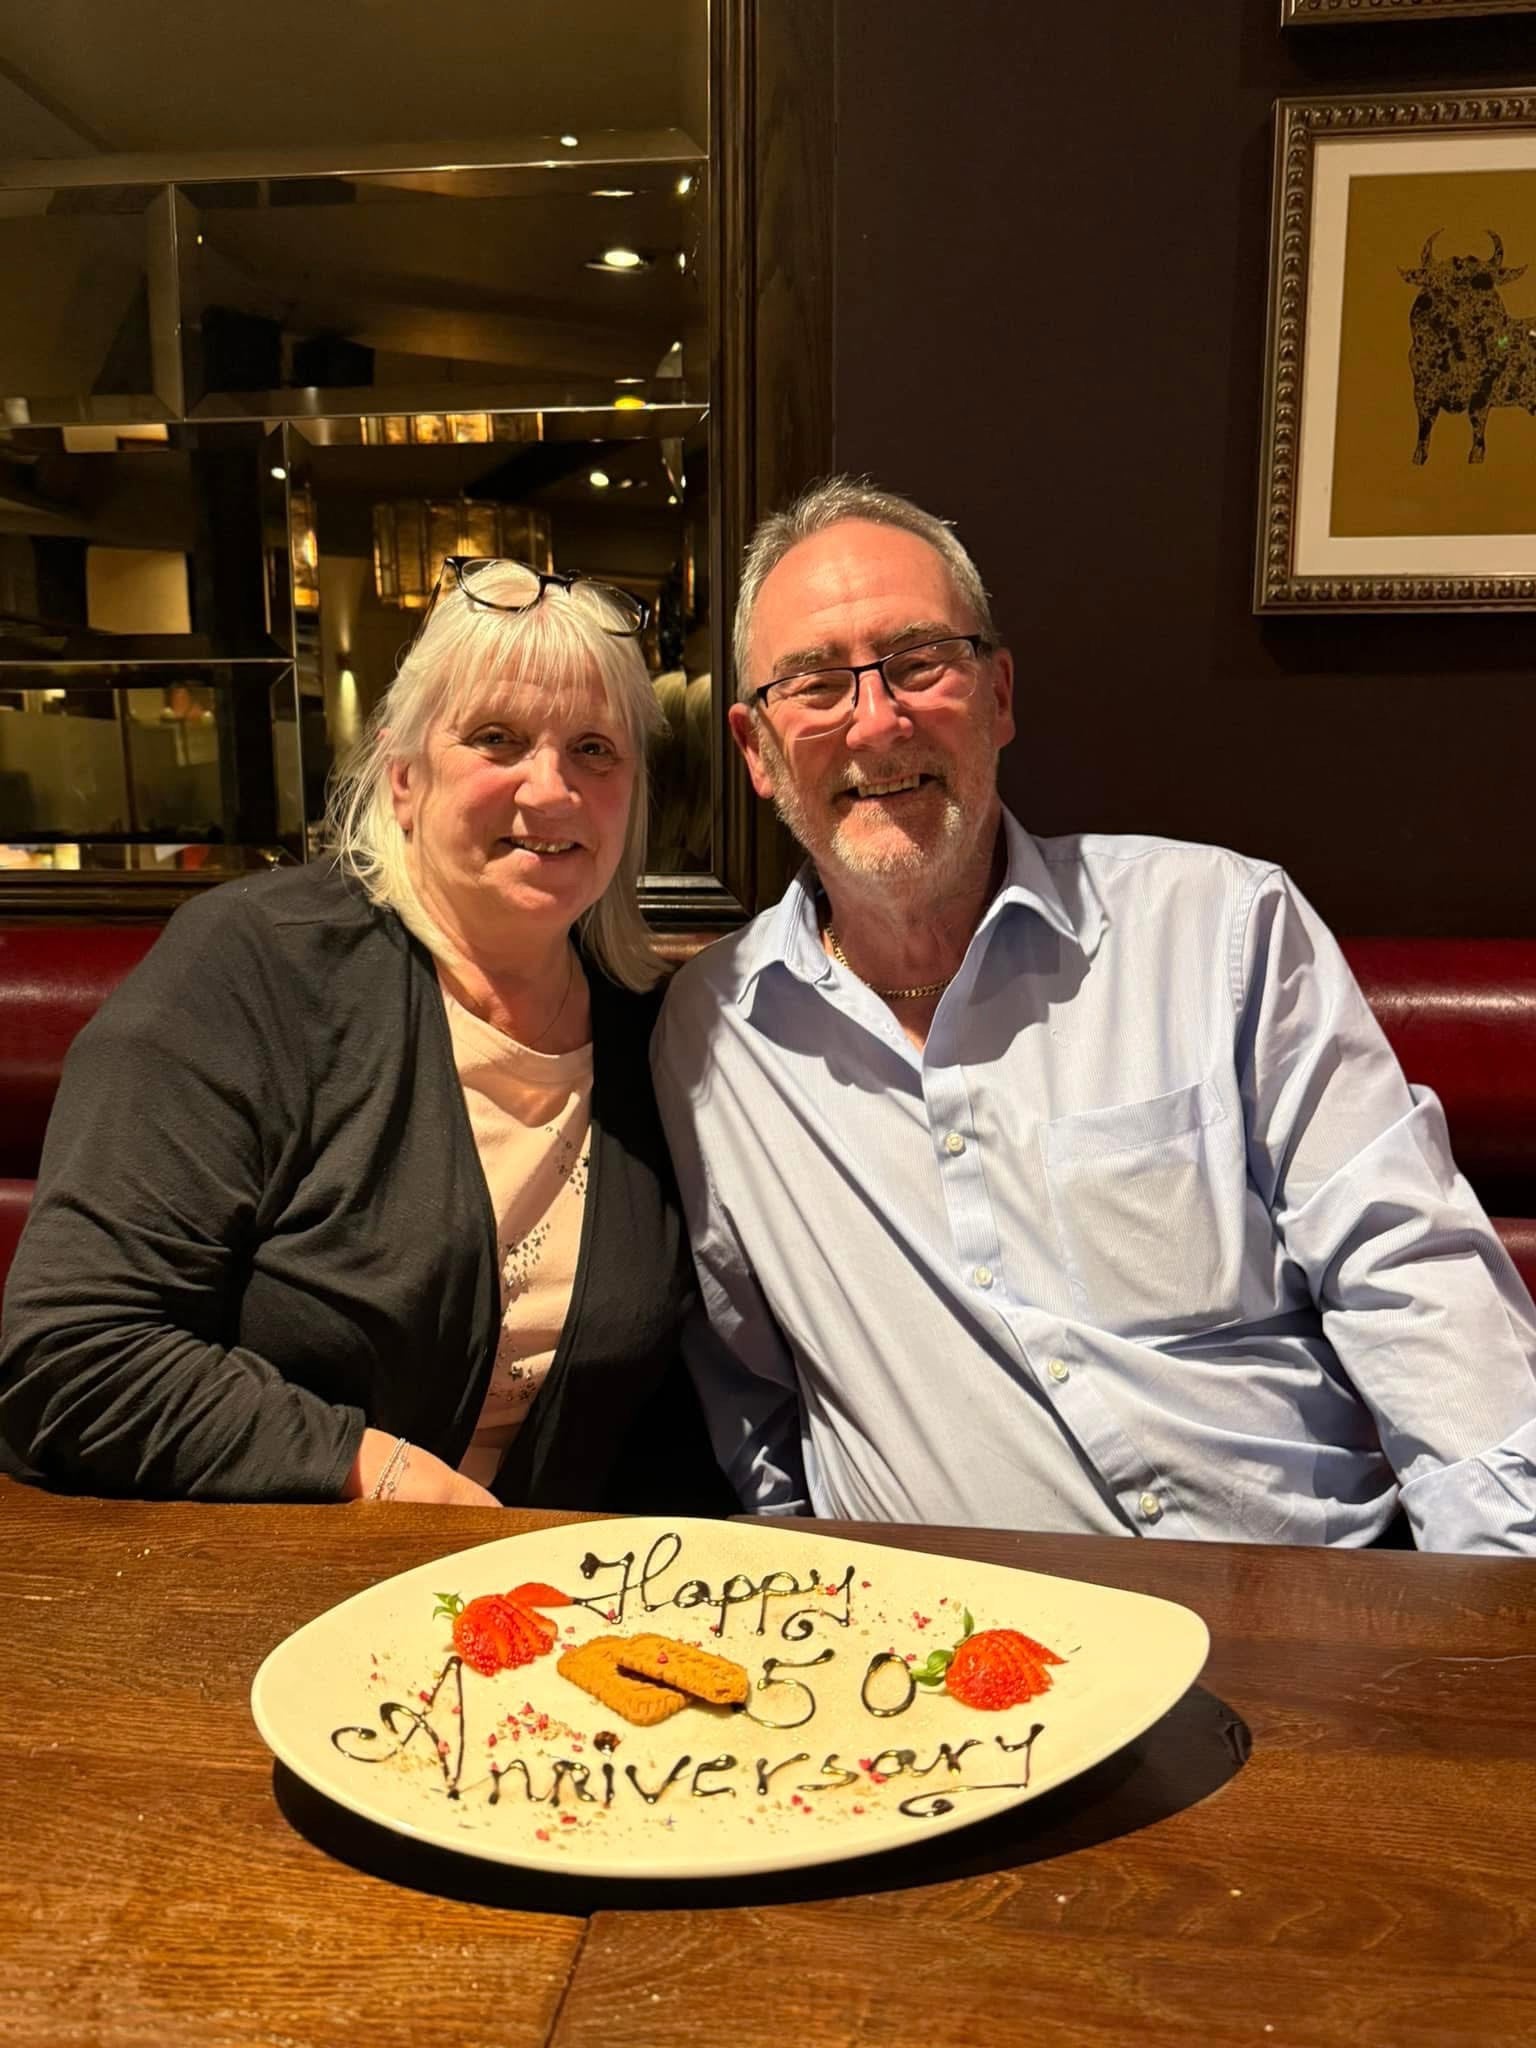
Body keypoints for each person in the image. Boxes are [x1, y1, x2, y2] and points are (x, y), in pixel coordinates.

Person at [652, 480, 1536, 1552]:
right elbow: (752, 1389)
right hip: (945, 1652)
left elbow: (1411, 1275)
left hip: (1291, 1603)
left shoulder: (1222, 928)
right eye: (816, 683)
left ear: (1000, 693)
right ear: (753, 748)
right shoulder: (714, 1032)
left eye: (919, 660)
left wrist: (1494, 1616)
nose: (875, 720)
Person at [0, 557, 728, 1512]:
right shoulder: (255, 966)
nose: (551, 790)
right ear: (402, 779)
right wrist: (376, 1477)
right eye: (497, 738)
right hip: (252, 1580)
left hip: (533, 1609)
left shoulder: (653, 1031)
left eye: (595, 750)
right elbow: (71, 1350)